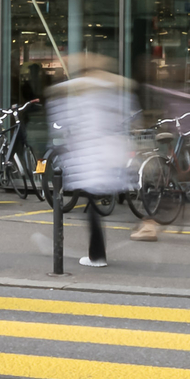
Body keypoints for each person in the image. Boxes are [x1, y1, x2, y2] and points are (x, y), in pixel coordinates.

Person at [48, 52, 137, 270]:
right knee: (92, 203)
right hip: (104, 153)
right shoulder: (111, 90)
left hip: (91, 156)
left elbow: (64, 115)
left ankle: (97, 256)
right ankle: (97, 254)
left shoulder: (85, 91)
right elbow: (127, 114)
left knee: (91, 205)